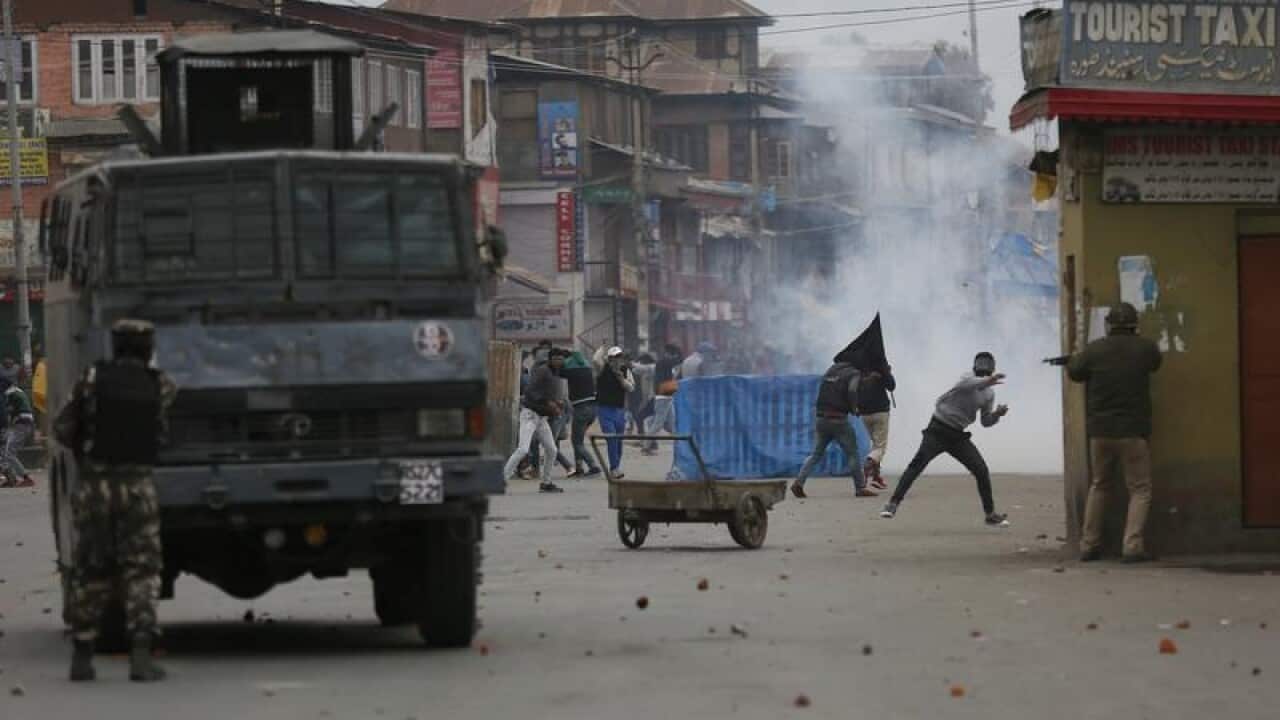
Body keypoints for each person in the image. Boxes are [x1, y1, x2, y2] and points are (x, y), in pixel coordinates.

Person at [54, 319, 176, 683]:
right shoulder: (162, 385)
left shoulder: (90, 381)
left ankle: (82, 656)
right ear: (148, 348)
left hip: (94, 487)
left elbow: (63, 429)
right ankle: (140, 656)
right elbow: (162, 432)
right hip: (137, 487)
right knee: (141, 570)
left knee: (92, 567)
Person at [1061, 303, 1163, 563]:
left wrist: (1072, 360)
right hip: (1132, 431)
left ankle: (1089, 544)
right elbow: (1155, 364)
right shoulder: (1146, 348)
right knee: (1139, 489)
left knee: (1100, 485)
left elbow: (1075, 373)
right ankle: (1132, 546)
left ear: (1108, 324)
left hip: (1100, 432)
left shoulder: (1094, 349)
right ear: (1134, 325)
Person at [880, 352, 1010, 526]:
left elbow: (985, 421)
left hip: (958, 436)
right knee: (917, 465)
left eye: (987, 364)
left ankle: (990, 514)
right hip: (938, 429)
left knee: (981, 469)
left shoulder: (989, 394)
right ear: (975, 366)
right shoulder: (968, 377)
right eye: (981, 363)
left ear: (992, 368)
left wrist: (997, 415)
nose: (984, 368)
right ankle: (892, 504)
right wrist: (988, 381)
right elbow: (966, 385)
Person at [791, 361, 876, 499]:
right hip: (838, 420)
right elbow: (853, 390)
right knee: (853, 454)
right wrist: (855, 408)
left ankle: (798, 482)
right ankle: (860, 488)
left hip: (821, 419)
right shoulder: (853, 373)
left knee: (816, 454)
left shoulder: (830, 371)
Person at [503, 348, 567, 493]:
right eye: (556, 358)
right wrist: (549, 403)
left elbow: (549, 393)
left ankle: (546, 483)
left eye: (561, 359)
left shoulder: (555, 372)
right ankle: (501, 480)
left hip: (541, 418)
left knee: (551, 449)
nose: (559, 361)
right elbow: (530, 391)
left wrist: (557, 402)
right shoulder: (543, 370)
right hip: (530, 415)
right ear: (550, 359)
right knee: (523, 449)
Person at [561, 351, 603, 477]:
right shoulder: (587, 369)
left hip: (581, 409)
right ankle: (579, 467)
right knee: (578, 440)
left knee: (577, 442)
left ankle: (594, 467)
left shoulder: (572, 371)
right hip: (592, 409)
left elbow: (557, 371)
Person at [595, 347, 635, 478]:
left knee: (618, 441)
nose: (616, 360)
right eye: (613, 358)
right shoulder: (602, 368)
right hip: (604, 409)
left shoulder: (625, 370)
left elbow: (631, 388)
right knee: (611, 439)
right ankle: (614, 468)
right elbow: (595, 359)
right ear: (609, 359)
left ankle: (616, 465)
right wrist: (602, 347)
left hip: (619, 410)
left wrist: (621, 379)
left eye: (619, 357)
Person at [857, 362, 896, 491]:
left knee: (875, 445)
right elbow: (891, 385)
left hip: (864, 414)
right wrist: (887, 372)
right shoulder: (880, 368)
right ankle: (868, 466)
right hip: (880, 412)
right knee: (880, 447)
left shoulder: (860, 371)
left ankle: (876, 477)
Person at [645, 344, 683, 453]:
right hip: (663, 395)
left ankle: (681, 444)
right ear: (669, 354)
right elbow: (679, 359)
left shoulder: (664, 363)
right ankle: (646, 446)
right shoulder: (664, 362)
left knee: (671, 424)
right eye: (672, 354)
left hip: (667, 394)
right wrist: (678, 351)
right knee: (658, 423)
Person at [0, 378, 36, 488]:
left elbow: (8, 412)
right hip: (24, 423)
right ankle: (12, 479)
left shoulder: (10, 394)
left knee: (8, 453)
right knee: (6, 451)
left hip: (21, 424)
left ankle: (26, 478)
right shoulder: (18, 391)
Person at [629, 353, 656, 451]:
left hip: (655, 399)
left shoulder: (652, 367)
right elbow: (636, 369)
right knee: (649, 420)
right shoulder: (647, 369)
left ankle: (648, 442)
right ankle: (650, 442)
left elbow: (639, 367)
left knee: (641, 417)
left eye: (641, 361)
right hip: (652, 399)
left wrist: (631, 363)